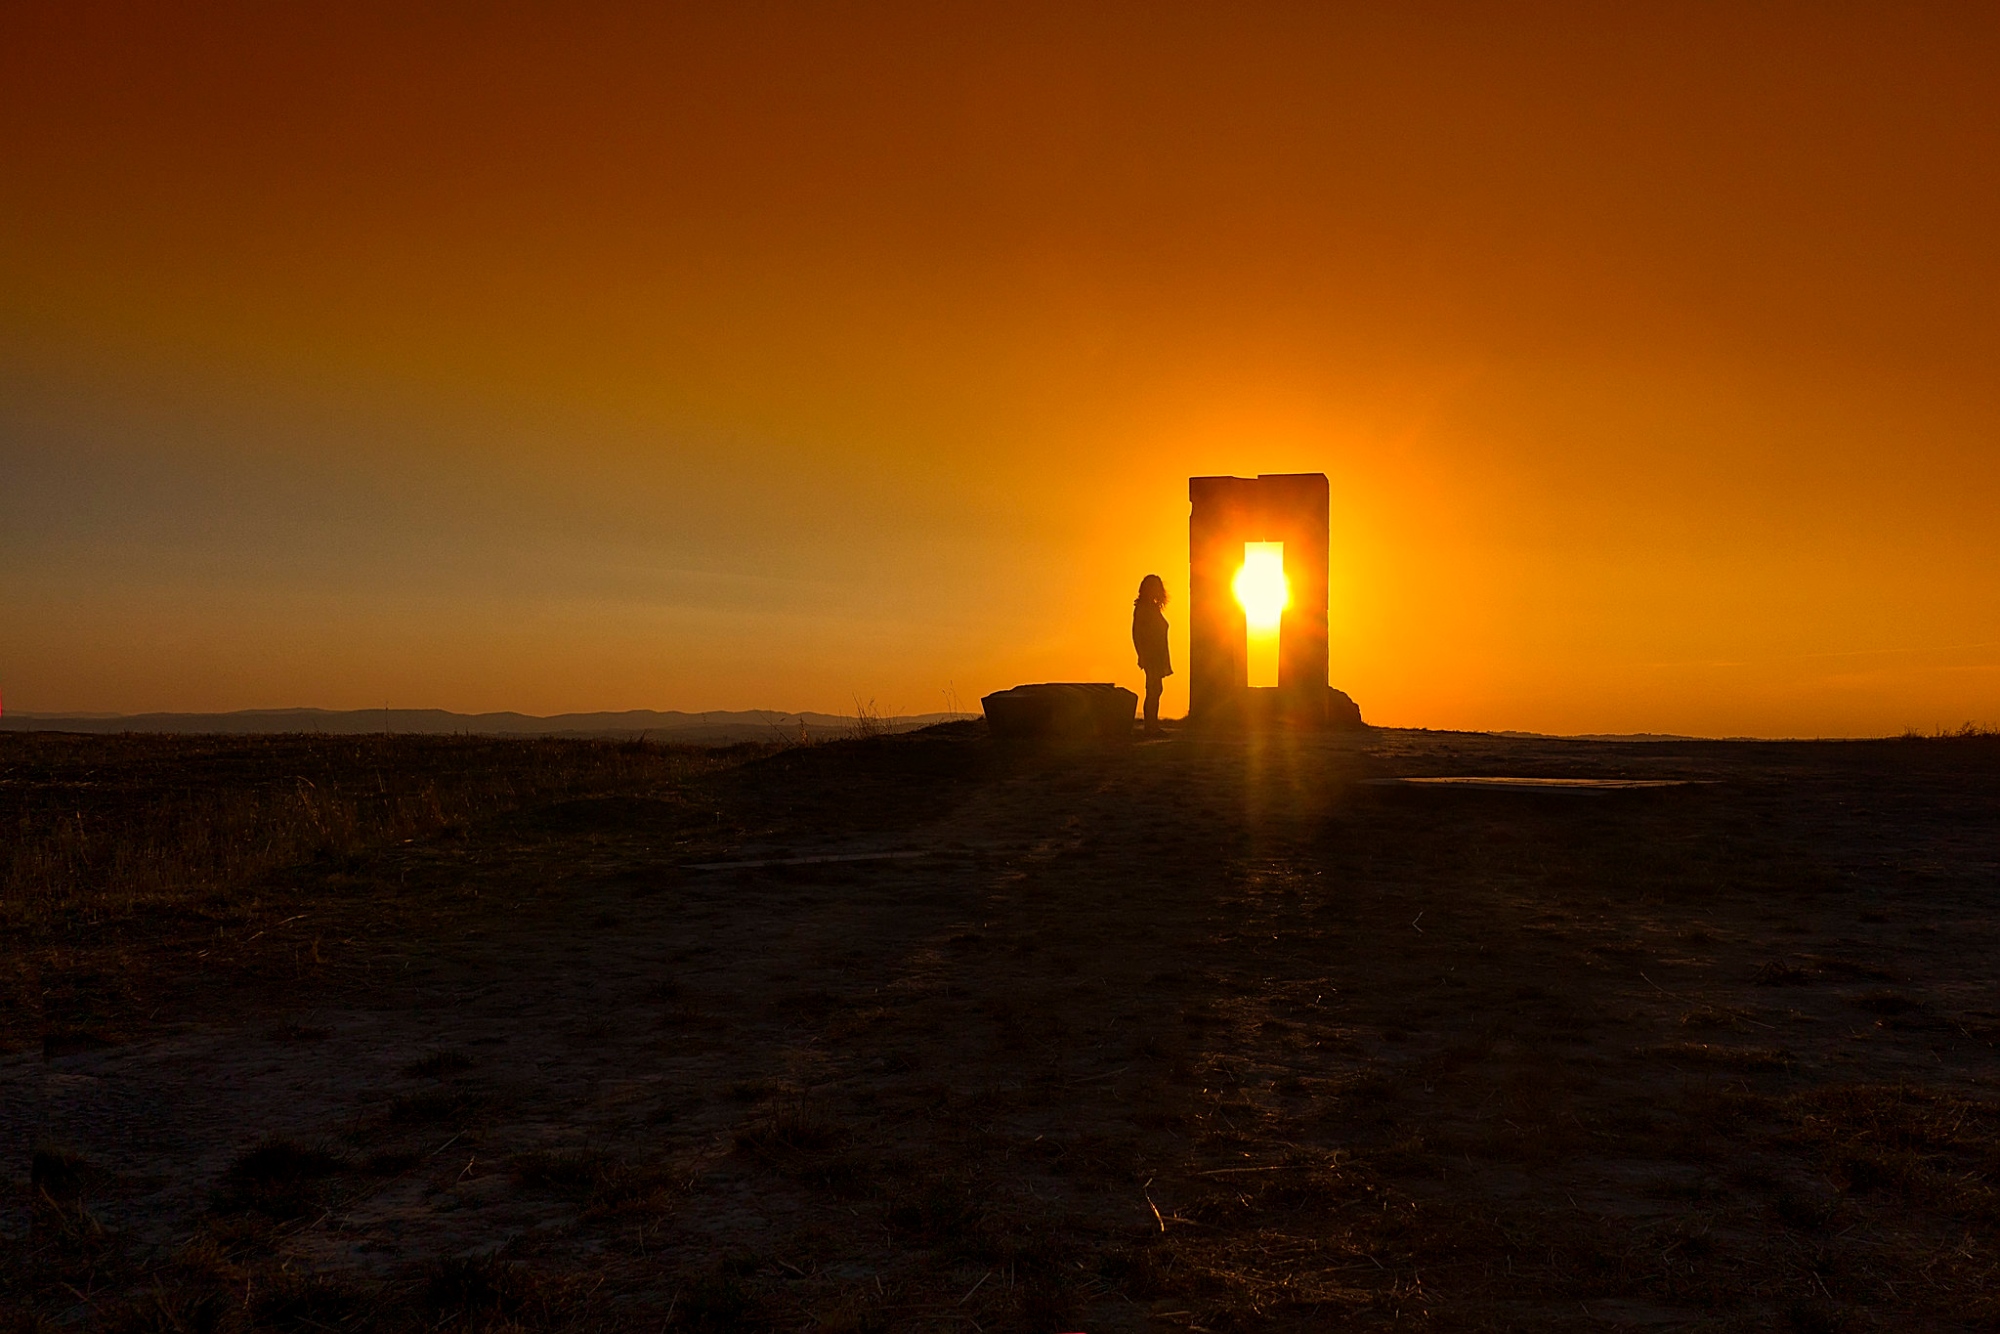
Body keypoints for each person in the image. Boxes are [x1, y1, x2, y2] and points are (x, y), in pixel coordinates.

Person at [1131, 573, 1172, 734]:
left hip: (1158, 653)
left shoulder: (1152, 608)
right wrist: (1141, 654)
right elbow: (1136, 632)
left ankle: (1152, 725)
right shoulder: (1143, 608)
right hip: (1151, 654)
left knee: (1156, 688)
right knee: (1153, 688)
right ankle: (1150, 726)